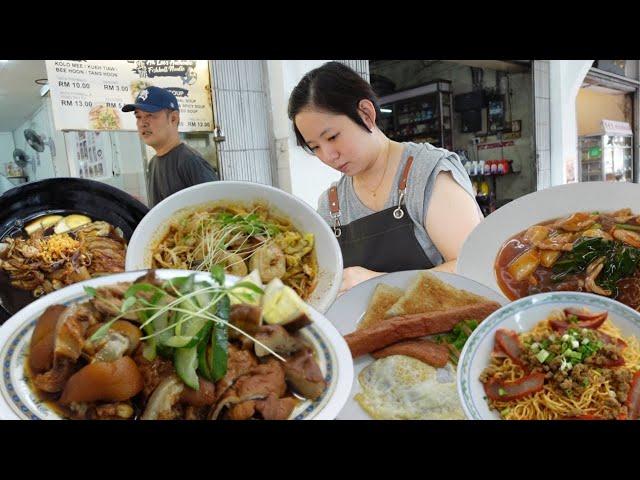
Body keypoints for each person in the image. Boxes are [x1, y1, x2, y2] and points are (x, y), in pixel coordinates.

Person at [288, 62, 483, 294]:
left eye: (332, 137)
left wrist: (380, 284)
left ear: (366, 114)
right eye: (315, 147)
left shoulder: (427, 173)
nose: (329, 156)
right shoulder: (332, 205)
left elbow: (473, 267)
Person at [122, 86, 219, 207]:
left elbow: (217, 211)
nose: (142, 123)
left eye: (150, 115)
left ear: (173, 118)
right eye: (138, 117)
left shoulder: (191, 162)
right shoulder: (153, 164)